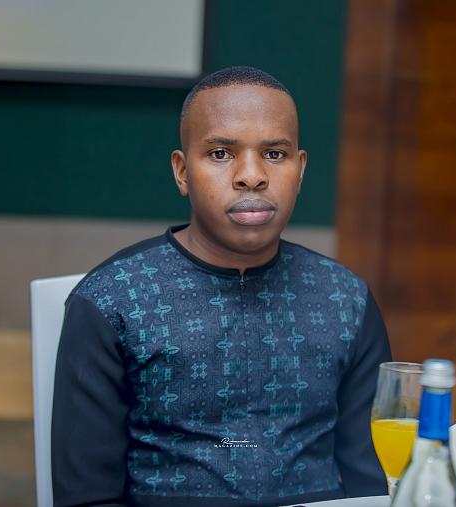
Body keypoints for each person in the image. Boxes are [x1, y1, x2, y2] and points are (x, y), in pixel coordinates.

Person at [52, 66, 391, 507]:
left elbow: (373, 481)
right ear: (182, 171)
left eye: (274, 154)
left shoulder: (346, 300)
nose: (251, 175)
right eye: (220, 153)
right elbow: (89, 498)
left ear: (300, 170)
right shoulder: (110, 302)